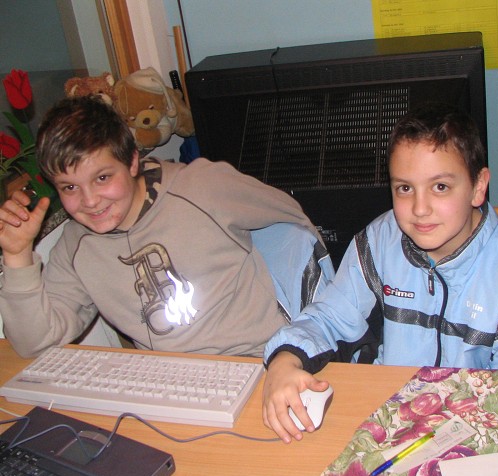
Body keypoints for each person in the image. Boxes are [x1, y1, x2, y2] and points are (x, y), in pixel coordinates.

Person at [262, 102, 498, 443]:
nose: (420, 209)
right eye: (405, 188)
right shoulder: (379, 242)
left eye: (440, 187)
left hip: (476, 429)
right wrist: (286, 358)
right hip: (388, 412)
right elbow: (331, 315)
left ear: (478, 187)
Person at [0, 96, 328, 358]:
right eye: (70, 187)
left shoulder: (203, 188)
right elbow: (35, 344)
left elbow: (293, 219)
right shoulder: (76, 245)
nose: (89, 201)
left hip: (257, 361)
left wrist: (311, 323)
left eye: (102, 178)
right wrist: (17, 257)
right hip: (167, 380)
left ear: (132, 161)